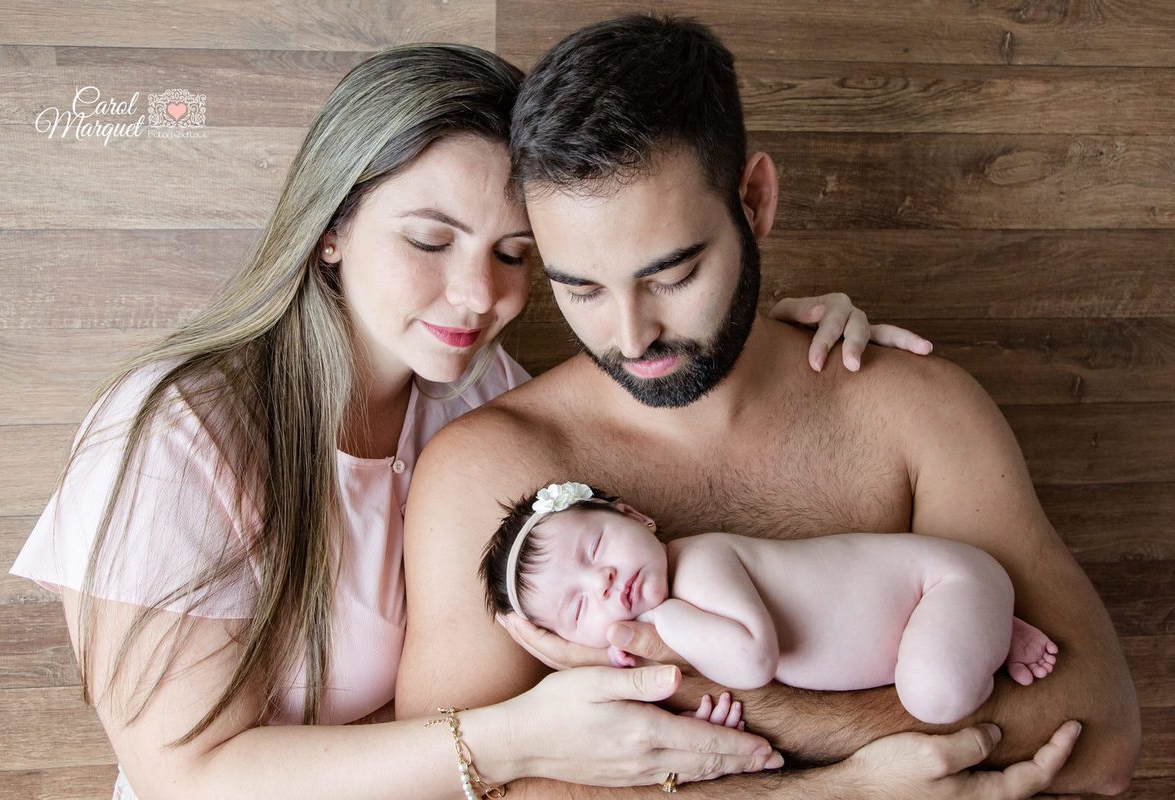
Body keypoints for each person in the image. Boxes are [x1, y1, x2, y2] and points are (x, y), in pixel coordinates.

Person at [8, 43, 927, 800]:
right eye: (428, 239)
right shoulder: (178, 434)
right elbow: (183, 776)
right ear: (331, 227)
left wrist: (759, 332)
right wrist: (506, 740)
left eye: (514, 253)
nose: (478, 294)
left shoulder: (476, 395)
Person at [395, 15, 1140, 797]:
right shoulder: (488, 474)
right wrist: (823, 787)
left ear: (753, 202)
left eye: (671, 275)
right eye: (579, 288)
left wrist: (741, 706)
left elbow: (1099, 735)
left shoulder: (913, 409)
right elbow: (452, 789)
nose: (631, 334)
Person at [481, 481, 1059, 724]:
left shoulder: (699, 565)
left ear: (636, 517)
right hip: (922, 616)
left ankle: (989, 629)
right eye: (580, 609)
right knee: (927, 681)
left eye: (597, 546)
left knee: (935, 696)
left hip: (939, 583)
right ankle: (981, 629)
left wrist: (664, 619)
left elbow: (754, 662)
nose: (603, 581)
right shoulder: (673, 622)